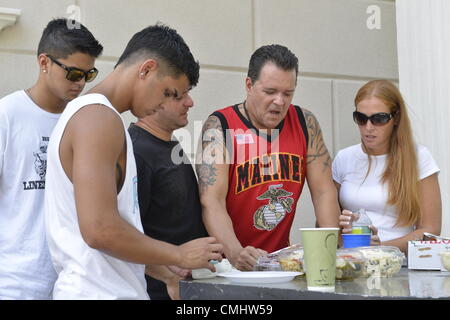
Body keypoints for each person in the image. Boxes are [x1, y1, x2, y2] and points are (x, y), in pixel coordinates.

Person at [44, 23, 223, 300]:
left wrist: (166, 271)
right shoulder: (98, 118)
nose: (165, 103)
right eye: (168, 92)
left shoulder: (99, 117)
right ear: (146, 69)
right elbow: (99, 230)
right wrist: (179, 253)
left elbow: (113, 234)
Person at [196, 44, 340, 271]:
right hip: (225, 265)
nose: (279, 101)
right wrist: (235, 253)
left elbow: (324, 192)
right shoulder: (220, 125)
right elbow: (211, 200)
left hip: (278, 262)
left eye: (287, 93)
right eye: (270, 92)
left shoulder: (305, 123)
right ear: (249, 85)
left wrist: (329, 252)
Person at [0, 18, 103, 300]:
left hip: (72, 284)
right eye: (73, 73)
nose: (81, 83)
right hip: (14, 285)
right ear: (44, 62)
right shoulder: (7, 115)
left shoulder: (84, 121)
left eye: (89, 74)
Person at [333, 80, 442, 253]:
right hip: (351, 263)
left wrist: (380, 248)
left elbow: (430, 230)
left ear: (396, 117)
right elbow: (326, 224)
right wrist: (343, 228)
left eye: (379, 119)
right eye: (361, 118)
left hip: (399, 265)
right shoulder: (344, 158)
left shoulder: (419, 158)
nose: (368, 127)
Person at [128, 77, 208, 300]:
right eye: (179, 96)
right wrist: (168, 278)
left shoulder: (168, 142)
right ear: (152, 99)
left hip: (188, 288)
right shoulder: (137, 152)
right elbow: (126, 236)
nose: (190, 102)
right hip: (159, 291)